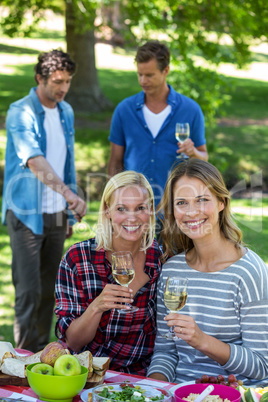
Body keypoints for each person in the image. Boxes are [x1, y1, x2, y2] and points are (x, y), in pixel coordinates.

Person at [147, 159, 268, 386]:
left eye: (202, 200)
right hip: (180, 391)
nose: (192, 212)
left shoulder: (249, 271)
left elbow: (262, 365)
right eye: (182, 202)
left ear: (221, 202)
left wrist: (202, 341)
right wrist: (154, 389)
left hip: (236, 392)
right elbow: (165, 352)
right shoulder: (172, 270)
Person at [1, 49, 87, 353]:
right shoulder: (20, 111)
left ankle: (40, 354)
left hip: (55, 215)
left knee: (51, 291)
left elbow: (67, 162)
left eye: (67, 81)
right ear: (40, 78)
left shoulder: (66, 111)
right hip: (26, 213)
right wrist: (68, 194)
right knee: (28, 291)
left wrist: (66, 211)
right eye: (56, 81)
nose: (63, 88)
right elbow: (35, 161)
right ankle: (20, 362)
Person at [54, 171, 162, 375]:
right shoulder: (77, 259)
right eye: (122, 208)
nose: (132, 217)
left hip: (141, 374)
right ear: (107, 211)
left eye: (140, 208)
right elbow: (74, 342)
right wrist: (97, 306)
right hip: (85, 372)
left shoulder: (160, 260)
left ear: (150, 211)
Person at [108, 40, 208, 209]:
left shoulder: (190, 110)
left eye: (149, 75)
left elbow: (204, 158)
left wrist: (193, 153)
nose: (142, 81)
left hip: (176, 207)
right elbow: (115, 162)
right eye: (139, 74)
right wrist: (112, 201)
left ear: (165, 71)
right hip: (135, 209)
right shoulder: (124, 110)